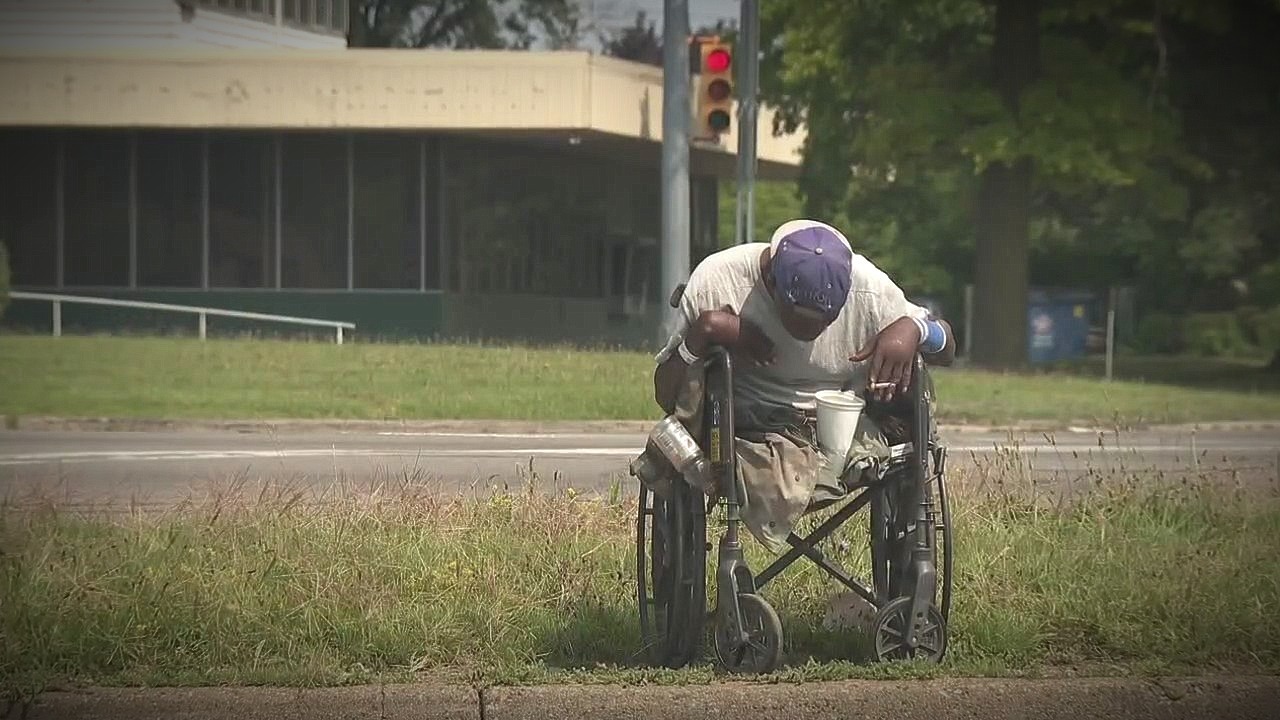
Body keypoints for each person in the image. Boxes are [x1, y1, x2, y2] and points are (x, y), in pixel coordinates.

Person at [647, 218, 955, 552]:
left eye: (824, 321)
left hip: (843, 425)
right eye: (797, 319)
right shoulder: (718, 282)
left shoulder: (872, 292)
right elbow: (667, 396)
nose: (811, 331)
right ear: (771, 282)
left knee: (914, 378)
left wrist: (915, 329)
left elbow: (948, 346)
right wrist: (705, 330)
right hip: (742, 427)